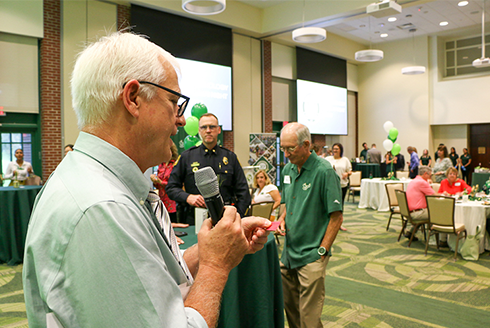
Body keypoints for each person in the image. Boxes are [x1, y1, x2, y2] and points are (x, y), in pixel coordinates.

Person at [23, 32, 271, 328]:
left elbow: (154, 277)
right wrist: (216, 266)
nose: (181, 120)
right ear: (133, 98)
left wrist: (213, 248)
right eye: (174, 102)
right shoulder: (103, 209)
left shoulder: (96, 181)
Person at [277, 123, 343, 328]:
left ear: (306, 145)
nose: (286, 154)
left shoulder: (324, 171)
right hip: (288, 253)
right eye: (283, 148)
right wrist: (281, 219)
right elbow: (287, 202)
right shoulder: (288, 169)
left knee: (309, 319)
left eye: (290, 149)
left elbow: (336, 217)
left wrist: (322, 250)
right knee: (292, 312)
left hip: (312, 254)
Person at [167, 113, 251, 225]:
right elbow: (171, 188)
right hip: (194, 220)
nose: (208, 130)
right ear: (199, 131)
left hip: (225, 219)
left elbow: (244, 193)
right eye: (204, 127)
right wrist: (188, 197)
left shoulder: (230, 158)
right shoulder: (187, 157)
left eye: (212, 127)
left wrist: (236, 217)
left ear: (219, 130)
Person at [151, 140, 179, 223]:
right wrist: (155, 181)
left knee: (173, 223)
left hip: (172, 200)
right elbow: (158, 185)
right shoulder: (161, 165)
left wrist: (161, 182)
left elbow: (174, 184)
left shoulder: (175, 164)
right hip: (162, 199)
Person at [405, 165, 435, 242]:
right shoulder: (422, 182)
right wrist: (445, 195)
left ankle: (411, 232)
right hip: (417, 213)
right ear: (425, 174)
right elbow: (434, 195)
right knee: (439, 213)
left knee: (426, 210)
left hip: (410, 212)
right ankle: (439, 240)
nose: (430, 178)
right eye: (430, 175)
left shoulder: (413, 181)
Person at [326, 142, 351, 231]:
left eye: (337, 149)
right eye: (334, 149)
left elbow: (350, 171)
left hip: (342, 185)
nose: (335, 151)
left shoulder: (345, 160)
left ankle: (339, 224)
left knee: (340, 205)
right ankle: (328, 223)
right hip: (330, 185)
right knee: (330, 205)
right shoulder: (328, 159)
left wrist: (347, 174)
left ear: (341, 150)